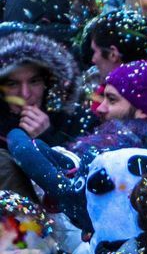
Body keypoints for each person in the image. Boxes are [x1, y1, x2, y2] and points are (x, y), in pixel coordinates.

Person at [0, 30, 86, 200]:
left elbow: (77, 184)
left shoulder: (70, 118)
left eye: (34, 81)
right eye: (12, 84)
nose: (25, 94)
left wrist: (47, 140)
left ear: (48, 83)